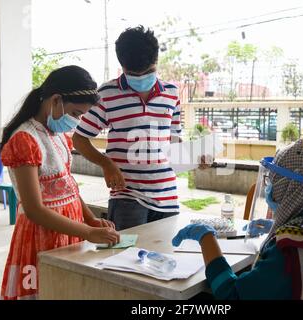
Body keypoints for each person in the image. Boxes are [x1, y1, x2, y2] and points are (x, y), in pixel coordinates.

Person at [172, 139, 303, 300]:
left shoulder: (292, 250)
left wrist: (206, 239)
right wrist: (277, 228)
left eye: (272, 179)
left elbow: (231, 294)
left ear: (292, 187)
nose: (268, 186)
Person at [0, 66, 120, 300]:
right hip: (41, 235)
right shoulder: (25, 139)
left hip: (69, 229)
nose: (77, 121)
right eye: (76, 113)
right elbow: (34, 210)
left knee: (65, 290)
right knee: (44, 290)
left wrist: (90, 219)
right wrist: (87, 231)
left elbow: (69, 187)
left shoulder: (58, 136)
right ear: (56, 100)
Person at [73, 26, 208, 231]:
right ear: (122, 66)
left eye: (149, 72)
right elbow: (79, 139)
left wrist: (195, 158)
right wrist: (106, 163)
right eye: (133, 74)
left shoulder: (171, 94)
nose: (142, 78)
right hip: (127, 198)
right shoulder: (107, 94)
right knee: (126, 258)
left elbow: (173, 143)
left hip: (167, 197)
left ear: (156, 62)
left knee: (165, 259)